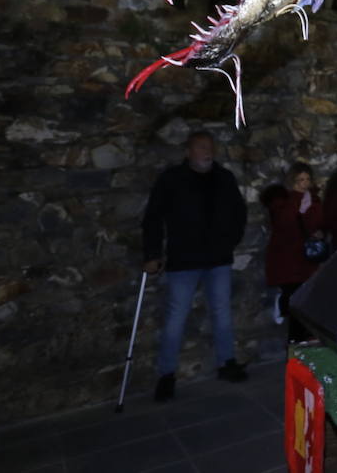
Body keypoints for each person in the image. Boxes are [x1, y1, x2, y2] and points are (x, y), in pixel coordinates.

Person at [140, 131, 248, 402]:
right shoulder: (172, 180)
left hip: (217, 259)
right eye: (201, 147)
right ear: (189, 152)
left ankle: (227, 363)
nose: (206, 151)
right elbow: (153, 217)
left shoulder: (223, 179)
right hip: (184, 260)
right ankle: (166, 375)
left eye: (210, 147)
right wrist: (152, 252)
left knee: (222, 312)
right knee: (176, 317)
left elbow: (239, 212)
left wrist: (229, 242)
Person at [260, 163, 326, 343]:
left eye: (307, 179)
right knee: (295, 303)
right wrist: (298, 201)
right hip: (288, 259)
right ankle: (296, 342)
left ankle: (302, 341)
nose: (304, 184)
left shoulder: (313, 200)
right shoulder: (282, 202)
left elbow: (318, 222)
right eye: (300, 180)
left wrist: (318, 231)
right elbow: (284, 224)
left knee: (305, 303)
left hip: (306, 259)